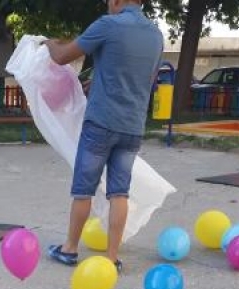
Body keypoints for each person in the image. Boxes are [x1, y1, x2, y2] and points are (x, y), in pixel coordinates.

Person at [44, 0, 163, 273]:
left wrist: (49, 43)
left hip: (101, 122)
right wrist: (99, 82)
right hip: (132, 126)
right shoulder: (156, 35)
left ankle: (70, 249)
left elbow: (62, 56)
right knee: (120, 192)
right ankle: (111, 257)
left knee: (83, 189)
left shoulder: (108, 25)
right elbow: (147, 79)